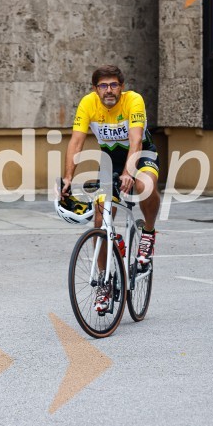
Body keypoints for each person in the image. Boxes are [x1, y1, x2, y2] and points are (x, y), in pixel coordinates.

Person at [62, 64, 160, 312]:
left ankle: (148, 233)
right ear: (95, 89)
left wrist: (129, 172)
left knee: (144, 184)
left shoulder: (133, 101)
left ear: (121, 87)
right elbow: (76, 142)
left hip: (141, 154)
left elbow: (136, 140)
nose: (109, 90)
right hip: (110, 161)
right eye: (103, 85)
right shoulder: (88, 104)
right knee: (100, 218)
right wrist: (67, 178)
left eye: (114, 85)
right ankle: (105, 282)